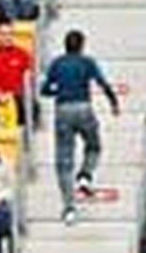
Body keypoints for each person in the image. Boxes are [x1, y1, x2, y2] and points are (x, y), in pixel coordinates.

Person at [40, 28, 120, 224]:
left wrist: (58, 92)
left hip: (63, 110)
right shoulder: (87, 62)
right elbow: (102, 83)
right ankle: (85, 174)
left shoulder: (57, 64)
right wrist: (114, 102)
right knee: (93, 146)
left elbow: (45, 90)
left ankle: (69, 207)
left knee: (64, 160)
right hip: (84, 107)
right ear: (82, 46)